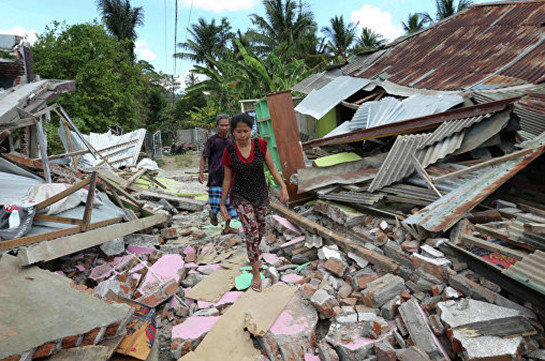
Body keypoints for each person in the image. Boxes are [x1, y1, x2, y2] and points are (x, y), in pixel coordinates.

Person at [220, 113, 289, 292]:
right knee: (251, 231)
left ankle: (254, 254)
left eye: (246, 131)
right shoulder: (229, 152)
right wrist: (222, 204)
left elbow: (272, 167)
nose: (243, 135)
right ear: (233, 132)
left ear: (251, 130)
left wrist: (283, 186)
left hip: (260, 194)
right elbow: (227, 179)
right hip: (240, 196)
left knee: (260, 230)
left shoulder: (260, 145)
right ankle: (255, 271)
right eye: (238, 132)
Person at [199, 114, 238, 235]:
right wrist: (201, 172)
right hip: (215, 177)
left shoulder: (231, 140)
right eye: (222, 125)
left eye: (227, 125)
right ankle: (213, 214)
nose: (224, 128)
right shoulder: (212, 140)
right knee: (216, 203)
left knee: (229, 204)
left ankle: (227, 227)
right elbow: (204, 157)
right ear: (217, 126)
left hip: (229, 177)